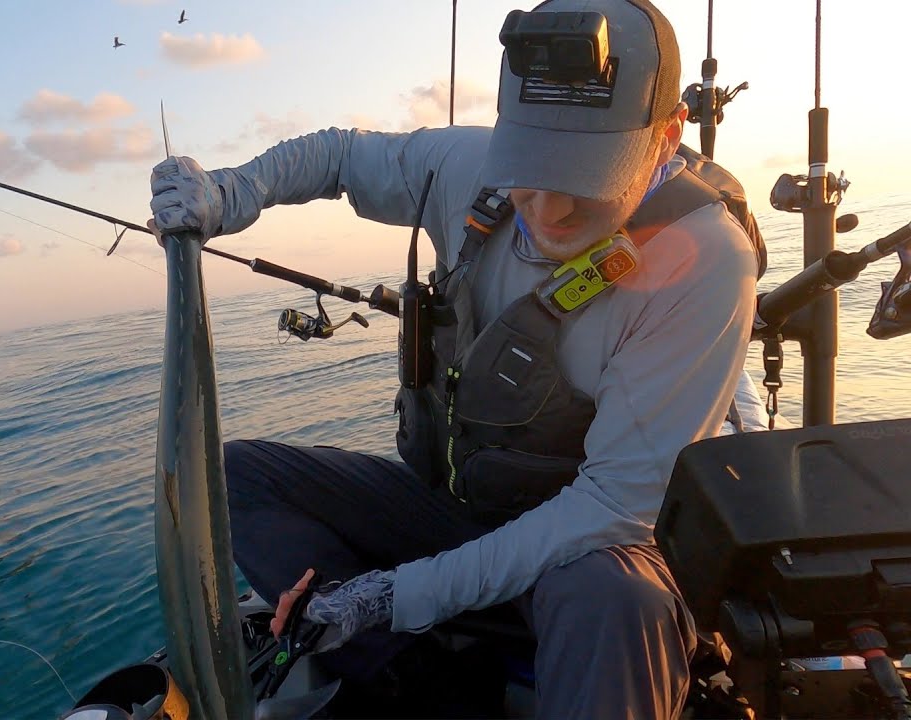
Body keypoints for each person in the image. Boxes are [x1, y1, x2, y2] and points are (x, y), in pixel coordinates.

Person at [149, 0, 768, 717]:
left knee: (616, 597)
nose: (548, 210)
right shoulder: (466, 168)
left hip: (586, 543)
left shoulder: (708, 260)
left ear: (668, 137)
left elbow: (612, 509)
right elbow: (342, 155)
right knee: (235, 479)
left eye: (589, 177)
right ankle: (424, 684)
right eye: (528, 164)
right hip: (461, 507)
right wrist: (233, 191)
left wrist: (394, 595)